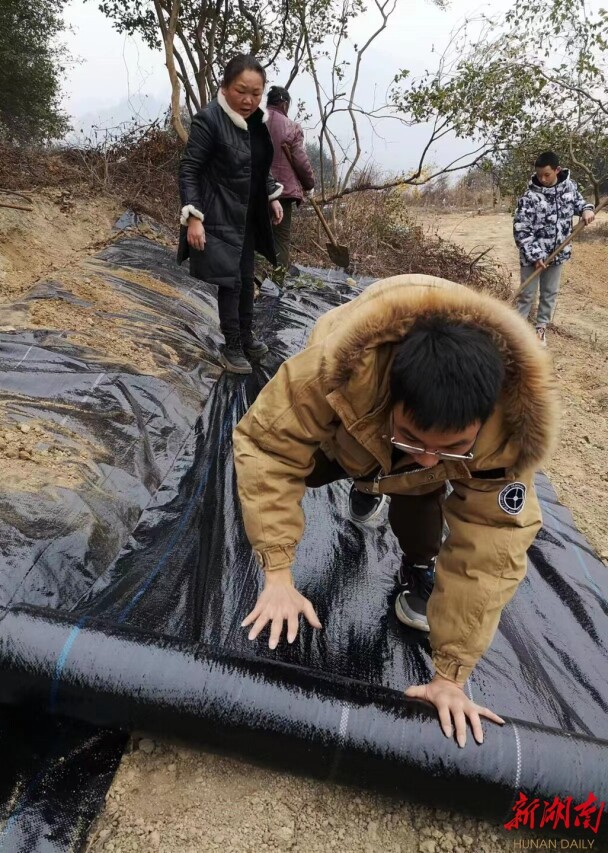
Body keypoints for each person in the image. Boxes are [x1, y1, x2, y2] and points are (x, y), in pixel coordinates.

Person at [233, 274, 558, 745]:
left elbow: (492, 546)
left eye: (452, 446)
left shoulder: (508, 433)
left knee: (420, 491)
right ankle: (368, 481)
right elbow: (267, 447)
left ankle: (415, 559)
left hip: (408, 466)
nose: (429, 456)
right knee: (294, 472)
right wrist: (278, 571)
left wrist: (450, 676)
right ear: (392, 399)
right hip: (348, 438)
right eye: (415, 438)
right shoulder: (336, 371)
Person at [177, 54, 284, 375]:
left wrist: (271, 195)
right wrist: (193, 216)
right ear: (224, 87)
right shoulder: (209, 120)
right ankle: (233, 345)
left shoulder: (254, 121)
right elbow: (189, 170)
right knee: (231, 282)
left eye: (256, 93)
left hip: (247, 215)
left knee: (246, 277)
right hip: (220, 212)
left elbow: (257, 163)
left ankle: (247, 337)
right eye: (242, 91)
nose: (249, 100)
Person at [513, 150, 595, 348]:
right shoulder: (530, 197)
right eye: (539, 174)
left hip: (558, 253)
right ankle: (515, 332)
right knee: (527, 295)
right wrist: (536, 255)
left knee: (549, 293)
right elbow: (521, 230)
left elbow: (579, 203)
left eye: (547, 174)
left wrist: (587, 209)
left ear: (557, 170)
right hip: (532, 257)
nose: (542, 178)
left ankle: (540, 329)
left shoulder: (569, 188)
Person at [265, 85, 316, 276]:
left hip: (253, 187)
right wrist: (309, 184)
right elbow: (300, 160)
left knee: (250, 232)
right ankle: (277, 282)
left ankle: (248, 280)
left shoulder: (253, 120)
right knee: (280, 239)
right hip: (282, 191)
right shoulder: (292, 127)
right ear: (285, 104)